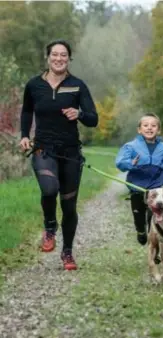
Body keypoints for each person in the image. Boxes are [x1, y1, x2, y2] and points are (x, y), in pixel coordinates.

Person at [19, 39, 99, 271]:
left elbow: (93, 119)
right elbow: (26, 111)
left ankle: (67, 253)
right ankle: (50, 226)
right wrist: (25, 135)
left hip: (70, 153)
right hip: (44, 148)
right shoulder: (34, 85)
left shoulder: (78, 85)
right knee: (49, 189)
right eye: (55, 54)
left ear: (69, 59)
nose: (59, 59)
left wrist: (79, 113)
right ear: (48, 57)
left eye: (63, 55)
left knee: (69, 205)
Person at [115, 113, 163, 246]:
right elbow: (120, 163)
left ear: (158, 130)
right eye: (145, 125)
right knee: (139, 217)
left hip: (156, 189)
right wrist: (130, 164)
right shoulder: (131, 146)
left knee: (155, 216)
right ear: (139, 129)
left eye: (153, 125)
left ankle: (154, 241)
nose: (149, 128)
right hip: (137, 189)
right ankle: (141, 232)